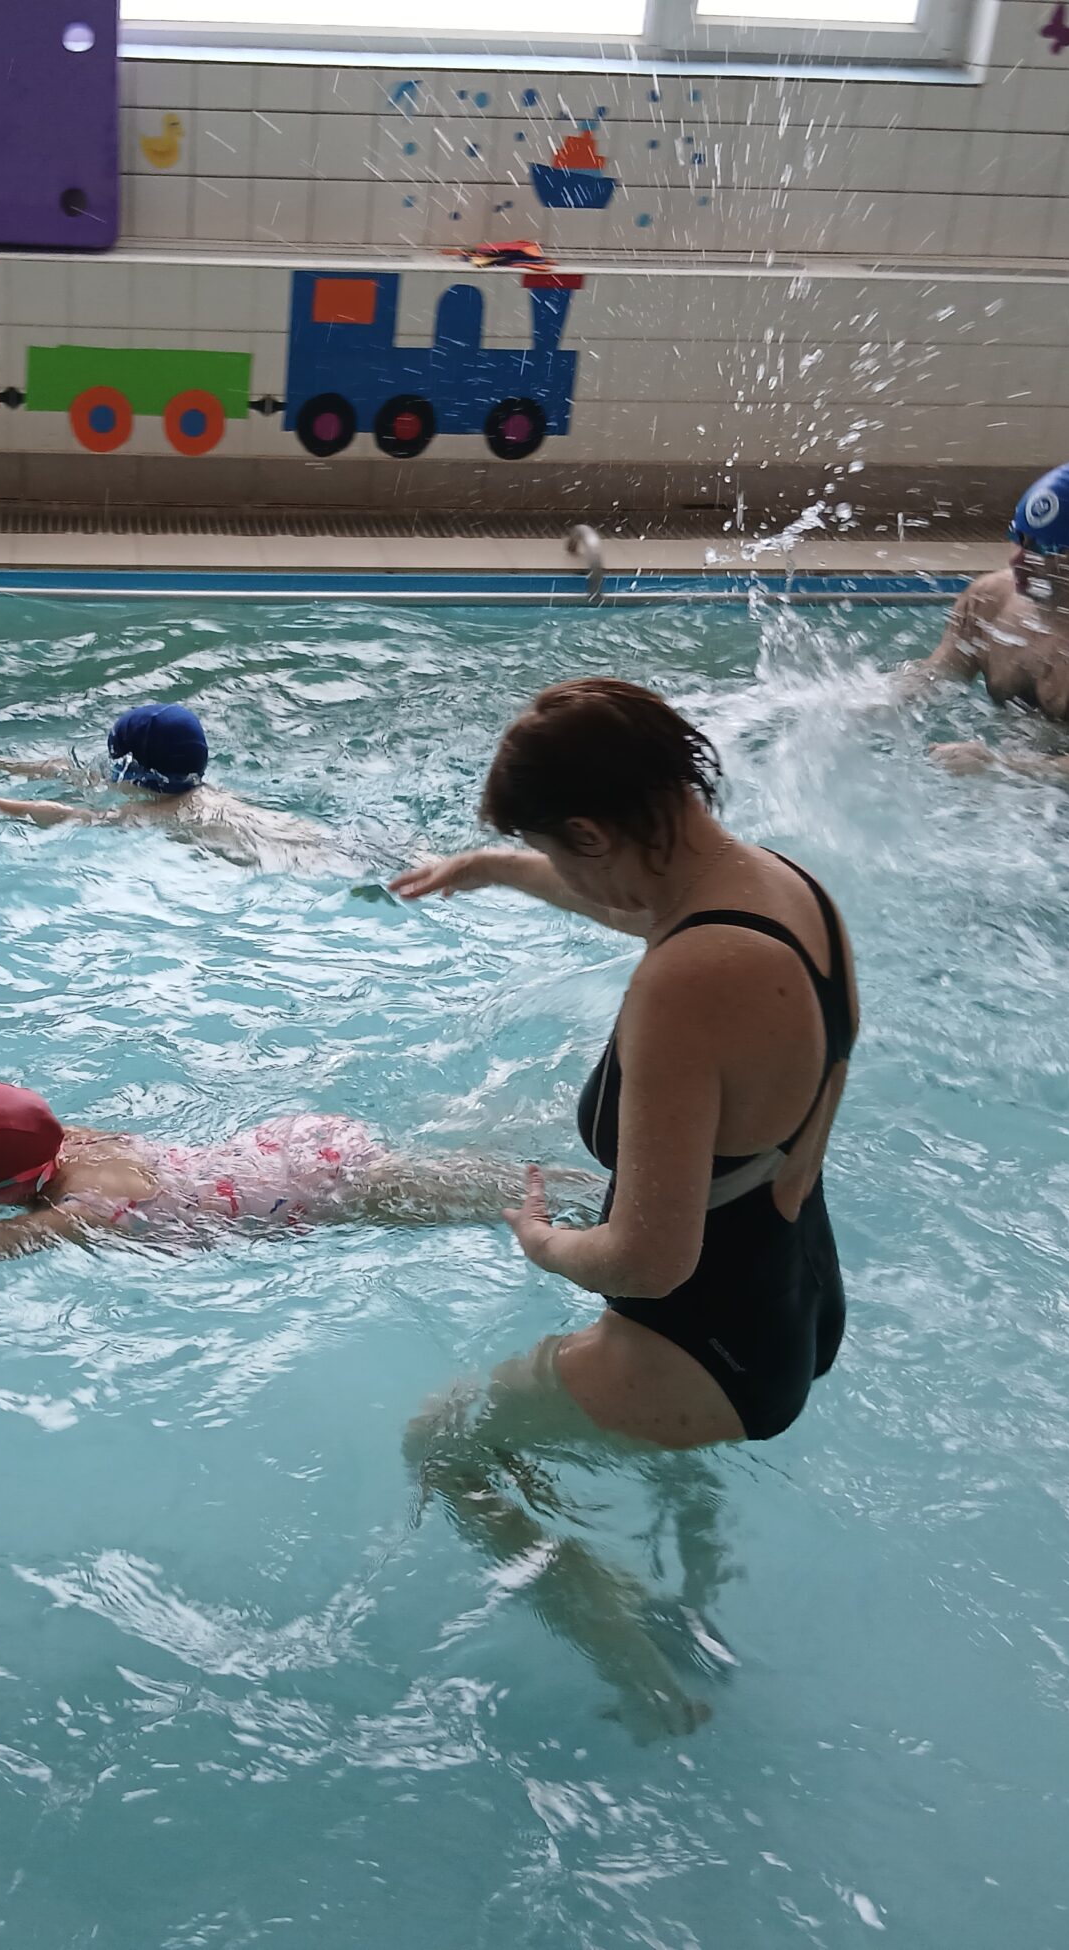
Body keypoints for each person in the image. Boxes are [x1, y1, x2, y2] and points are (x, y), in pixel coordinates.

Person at [388, 678, 860, 1735]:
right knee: (571, 1430)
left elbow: (649, 1261)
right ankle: (683, 1600)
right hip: (794, 1294)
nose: (563, 877)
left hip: (701, 1343)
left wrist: (544, 1242)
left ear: (595, 833)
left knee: (441, 1447)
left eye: (557, 853)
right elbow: (633, 902)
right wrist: (495, 867)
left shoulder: (684, 981)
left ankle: (651, 1689)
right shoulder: (784, 892)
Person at [0, 1081, 592, 1267]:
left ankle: (605, 1192)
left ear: (8, 1192)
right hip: (292, 1146)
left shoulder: (72, 1214)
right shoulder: (68, 1140)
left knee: (505, 1197)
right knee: (479, 1170)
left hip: (314, 1197)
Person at [899, 460, 1069, 779]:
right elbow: (936, 678)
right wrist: (866, 703)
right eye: (1020, 537)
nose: (1018, 560)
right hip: (1024, 780)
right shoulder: (988, 601)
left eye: (1046, 548)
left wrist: (999, 766)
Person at [0, 702, 338, 868]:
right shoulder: (212, 794)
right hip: (327, 843)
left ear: (132, 768)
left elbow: (65, 816)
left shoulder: (149, 814)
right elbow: (79, 775)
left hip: (306, 869)